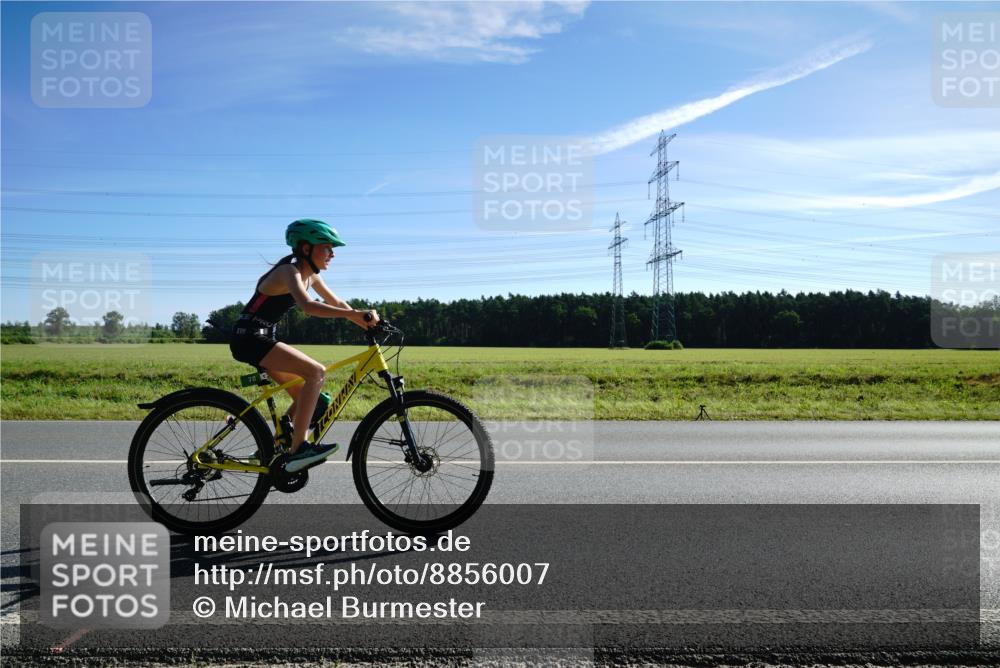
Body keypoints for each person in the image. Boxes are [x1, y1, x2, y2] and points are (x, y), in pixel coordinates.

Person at [229, 219, 379, 473]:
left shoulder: (312, 277)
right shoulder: (290, 272)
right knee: (316, 372)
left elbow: (339, 303)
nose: (332, 254)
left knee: (316, 401)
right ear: (306, 248)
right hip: (250, 337)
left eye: (333, 249)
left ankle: (275, 447)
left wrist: (368, 322)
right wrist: (353, 314)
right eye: (327, 247)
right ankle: (300, 448)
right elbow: (308, 307)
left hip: (262, 338)